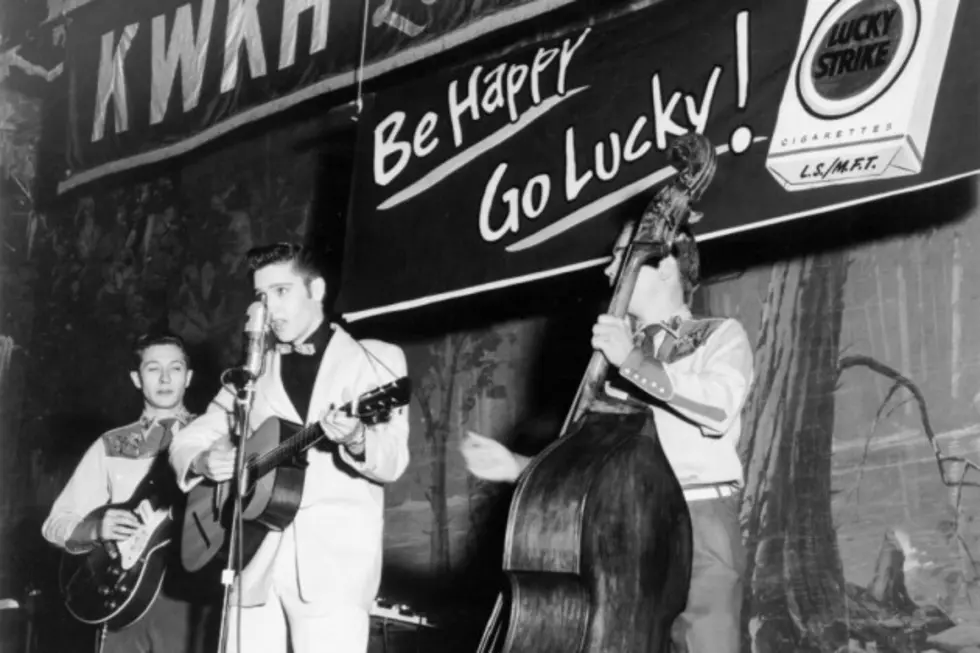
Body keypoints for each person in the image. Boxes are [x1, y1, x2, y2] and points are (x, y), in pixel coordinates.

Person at [462, 220, 754, 653]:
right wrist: (521, 468)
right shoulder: (606, 364)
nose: (608, 269)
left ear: (667, 266)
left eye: (623, 255)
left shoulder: (718, 336)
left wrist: (634, 360)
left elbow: (718, 407)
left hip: (700, 518)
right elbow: (589, 461)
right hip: (621, 527)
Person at [169, 242, 410, 653]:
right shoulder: (250, 373)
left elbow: (392, 461)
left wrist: (355, 437)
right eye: (261, 297)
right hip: (250, 560)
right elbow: (189, 438)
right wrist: (204, 461)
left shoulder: (377, 360)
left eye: (281, 292)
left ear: (315, 290)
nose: (270, 308)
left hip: (334, 567)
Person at [41, 332, 205, 653]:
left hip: (191, 594)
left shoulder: (213, 436)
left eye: (175, 368)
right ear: (136, 378)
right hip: (124, 595)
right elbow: (56, 522)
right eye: (153, 368)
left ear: (189, 377)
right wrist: (95, 529)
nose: (165, 378)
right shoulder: (110, 444)